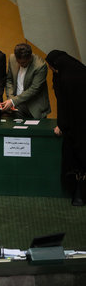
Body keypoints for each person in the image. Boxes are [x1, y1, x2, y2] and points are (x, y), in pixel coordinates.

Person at [46, 50, 86, 206]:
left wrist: (61, 125)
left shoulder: (65, 78)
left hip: (74, 127)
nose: (51, 70)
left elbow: (64, 106)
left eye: (51, 67)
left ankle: (78, 193)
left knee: (75, 158)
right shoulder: (79, 71)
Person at [2, 43, 51, 119]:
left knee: (35, 130)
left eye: (23, 63)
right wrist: (11, 98)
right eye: (18, 62)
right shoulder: (12, 58)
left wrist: (13, 101)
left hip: (34, 107)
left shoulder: (40, 66)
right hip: (17, 106)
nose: (21, 65)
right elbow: (9, 80)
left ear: (30, 57)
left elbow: (34, 89)